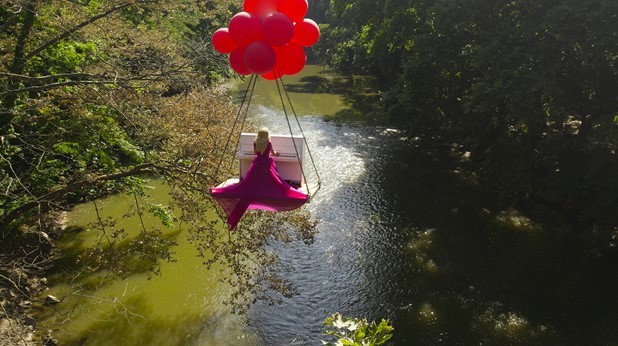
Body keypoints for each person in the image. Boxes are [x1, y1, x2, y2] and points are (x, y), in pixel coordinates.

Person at [210, 127, 307, 230]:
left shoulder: (255, 143)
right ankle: (266, 187)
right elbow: (273, 154)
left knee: (252, 179)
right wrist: (277, 154)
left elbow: (254, 153)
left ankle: (260, 187)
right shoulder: (268, 143)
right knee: (275, 179)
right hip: (266, 163)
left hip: (257, 163)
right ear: (266, 136)